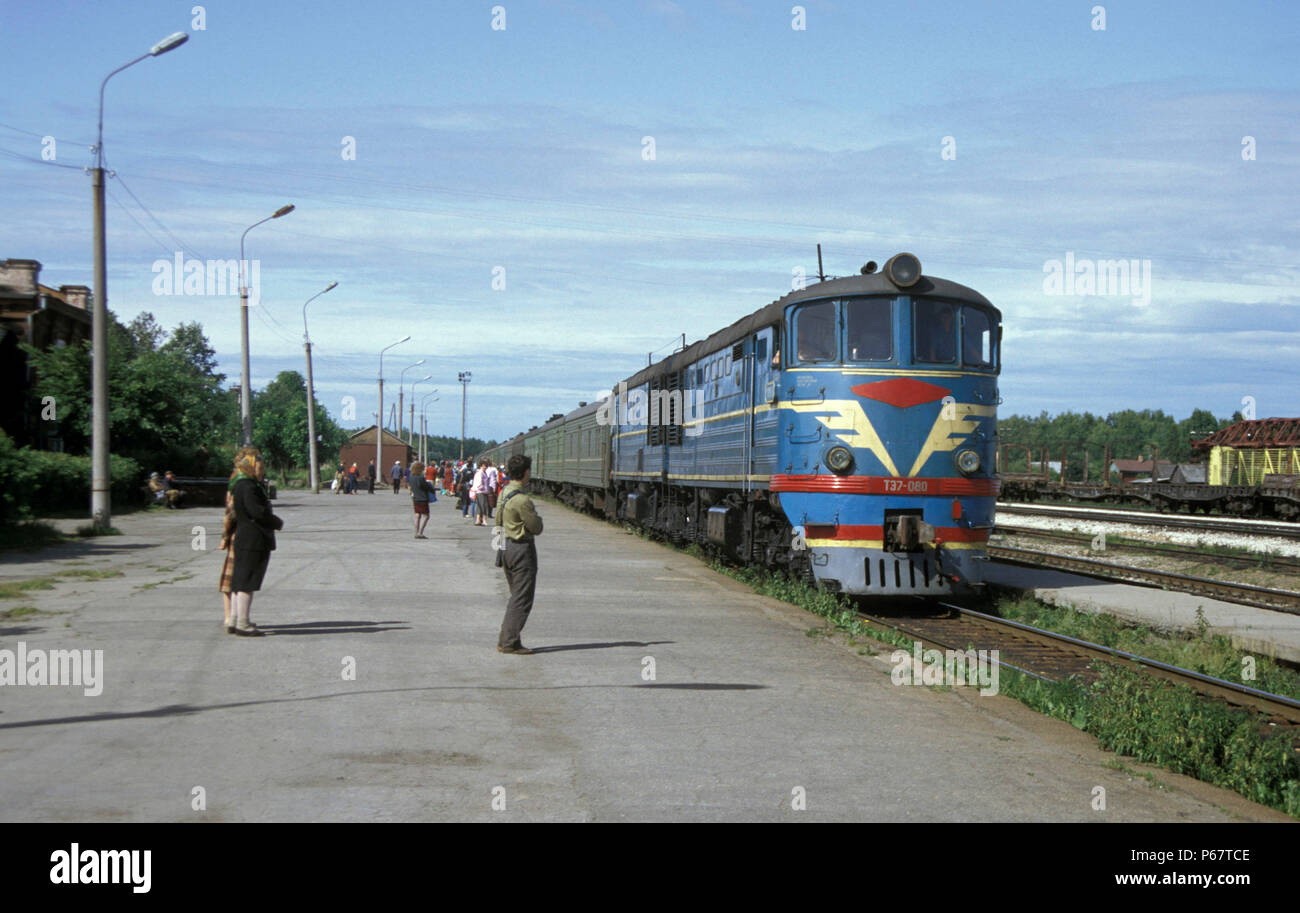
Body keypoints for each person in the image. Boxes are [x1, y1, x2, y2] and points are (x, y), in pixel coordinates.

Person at [229, 447, 283, 637]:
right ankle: (243, 623)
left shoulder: (239, 485)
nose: (262, 472)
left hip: (244, 536)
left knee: (239, 581)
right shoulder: (249, 487)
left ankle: (235, 619)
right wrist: (276, 522)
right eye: (259, 469)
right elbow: (257, 512)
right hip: (253, 539)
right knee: (247, 582)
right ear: (250, 468)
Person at [495, 454, 543, 655]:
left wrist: (498, 550)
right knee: (522, 598)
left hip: (506, 546)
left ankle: (506, 639)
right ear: (525, 473)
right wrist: (537, 519)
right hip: (522, 549)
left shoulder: (504, 493)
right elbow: (536, 527)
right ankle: (509, 642)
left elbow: (497, 521)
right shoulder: (523, 500)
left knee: (516, 595)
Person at [218, 476, 237, 632]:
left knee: (230, 579)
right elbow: (229, 516)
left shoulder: (236, 483)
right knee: (231, 579)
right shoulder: (237, 484)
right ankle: (230, 617)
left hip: (236, 536)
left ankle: (231, 616)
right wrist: (224, 537)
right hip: (236, 537)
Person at [409, 460, 433, 538]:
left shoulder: (411, 477)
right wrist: (430, 488)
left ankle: (416, 532)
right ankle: (420, 532)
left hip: (415, 498)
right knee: (426, 516)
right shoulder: (420, 478)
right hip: (422, 498)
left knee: (417, 515)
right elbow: (425, 486)